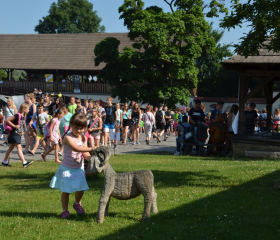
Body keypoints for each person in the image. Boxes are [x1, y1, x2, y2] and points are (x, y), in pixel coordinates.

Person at [49, 112, 97, 219]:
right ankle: (65, 210)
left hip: (78, 168)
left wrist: (91, 160)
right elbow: (76, 148)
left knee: (81, 188)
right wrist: (92, 148)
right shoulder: (67, 137)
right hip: (67, 168)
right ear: (71, 125)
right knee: (66, 190)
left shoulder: (83, 137)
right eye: (76, 128)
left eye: (81, 128)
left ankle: (77, 203)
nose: (78, 131)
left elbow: (85, 153)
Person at [1, 103, 33, 167]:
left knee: (11, 148)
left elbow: (21, 124)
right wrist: (14, 126)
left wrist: (22, 129)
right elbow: (7, 120)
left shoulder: (24, 116)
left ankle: (4, 162)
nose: (29, 110)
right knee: (19, 147)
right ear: (24, 109)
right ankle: (24, 162)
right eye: (28, 109)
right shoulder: (17, 115)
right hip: (13, 133)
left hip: (17, 134)